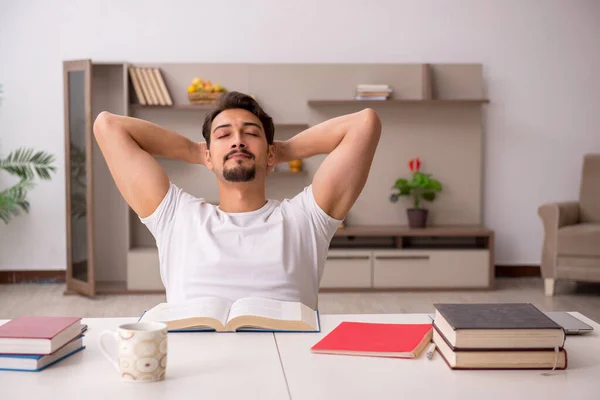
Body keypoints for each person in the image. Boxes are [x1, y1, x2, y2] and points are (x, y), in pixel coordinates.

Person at [93, 91, 381, 309]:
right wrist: (198, 151)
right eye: (224, 135)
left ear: (270, 154)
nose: (238, 141)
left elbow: (364, 123)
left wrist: (280, 150)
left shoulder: (305, 219)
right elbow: (108, 126)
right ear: (208, 154)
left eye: (251, 133)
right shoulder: (177, 217)